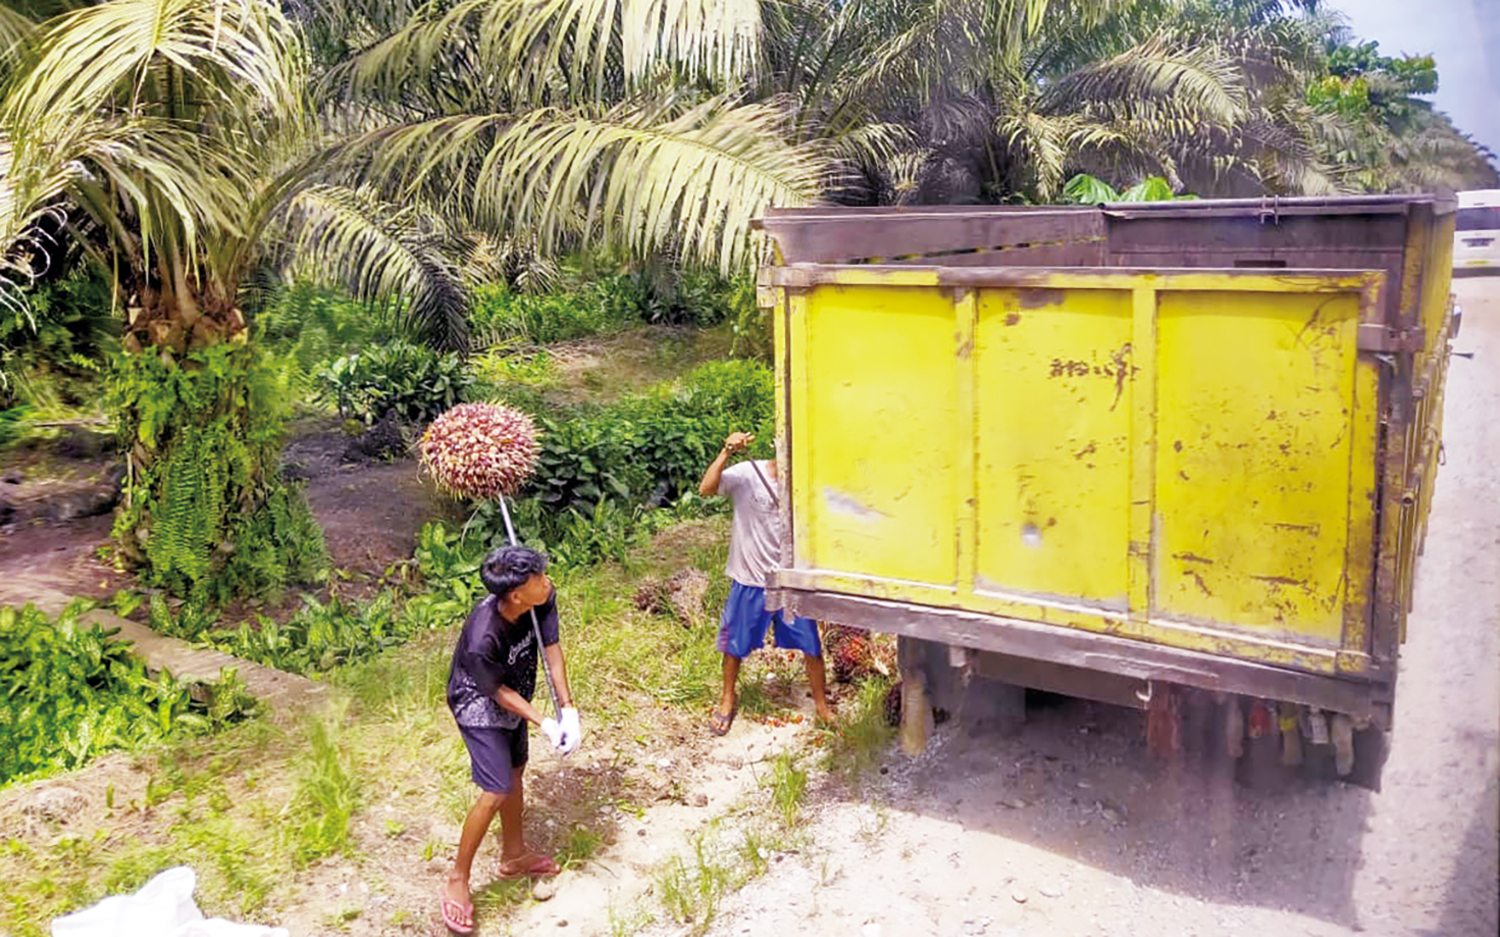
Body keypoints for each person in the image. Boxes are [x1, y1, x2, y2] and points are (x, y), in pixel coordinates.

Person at [441, 545, 581, 935]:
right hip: (479, 701)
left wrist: (567, 708)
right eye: (538, 577)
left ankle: (513, 855)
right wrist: (543, 722)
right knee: (496, 787)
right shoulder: (481, 637)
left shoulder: (541, 597)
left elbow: (551, 650)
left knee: (516, 771)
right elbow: (496, 692)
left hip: (516, 692)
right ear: (517, 594)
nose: (546, 581)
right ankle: (457, 879)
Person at [699, 430, 835, 736]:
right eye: (786, 449)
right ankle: (726, 698)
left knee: (812, 646)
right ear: (777, 448)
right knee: (734, 646)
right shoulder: (748, 473)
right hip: (750, 579)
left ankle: (822, 707)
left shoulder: (805, 484)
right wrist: (726, 452)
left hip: (789, 581)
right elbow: (706, 488)